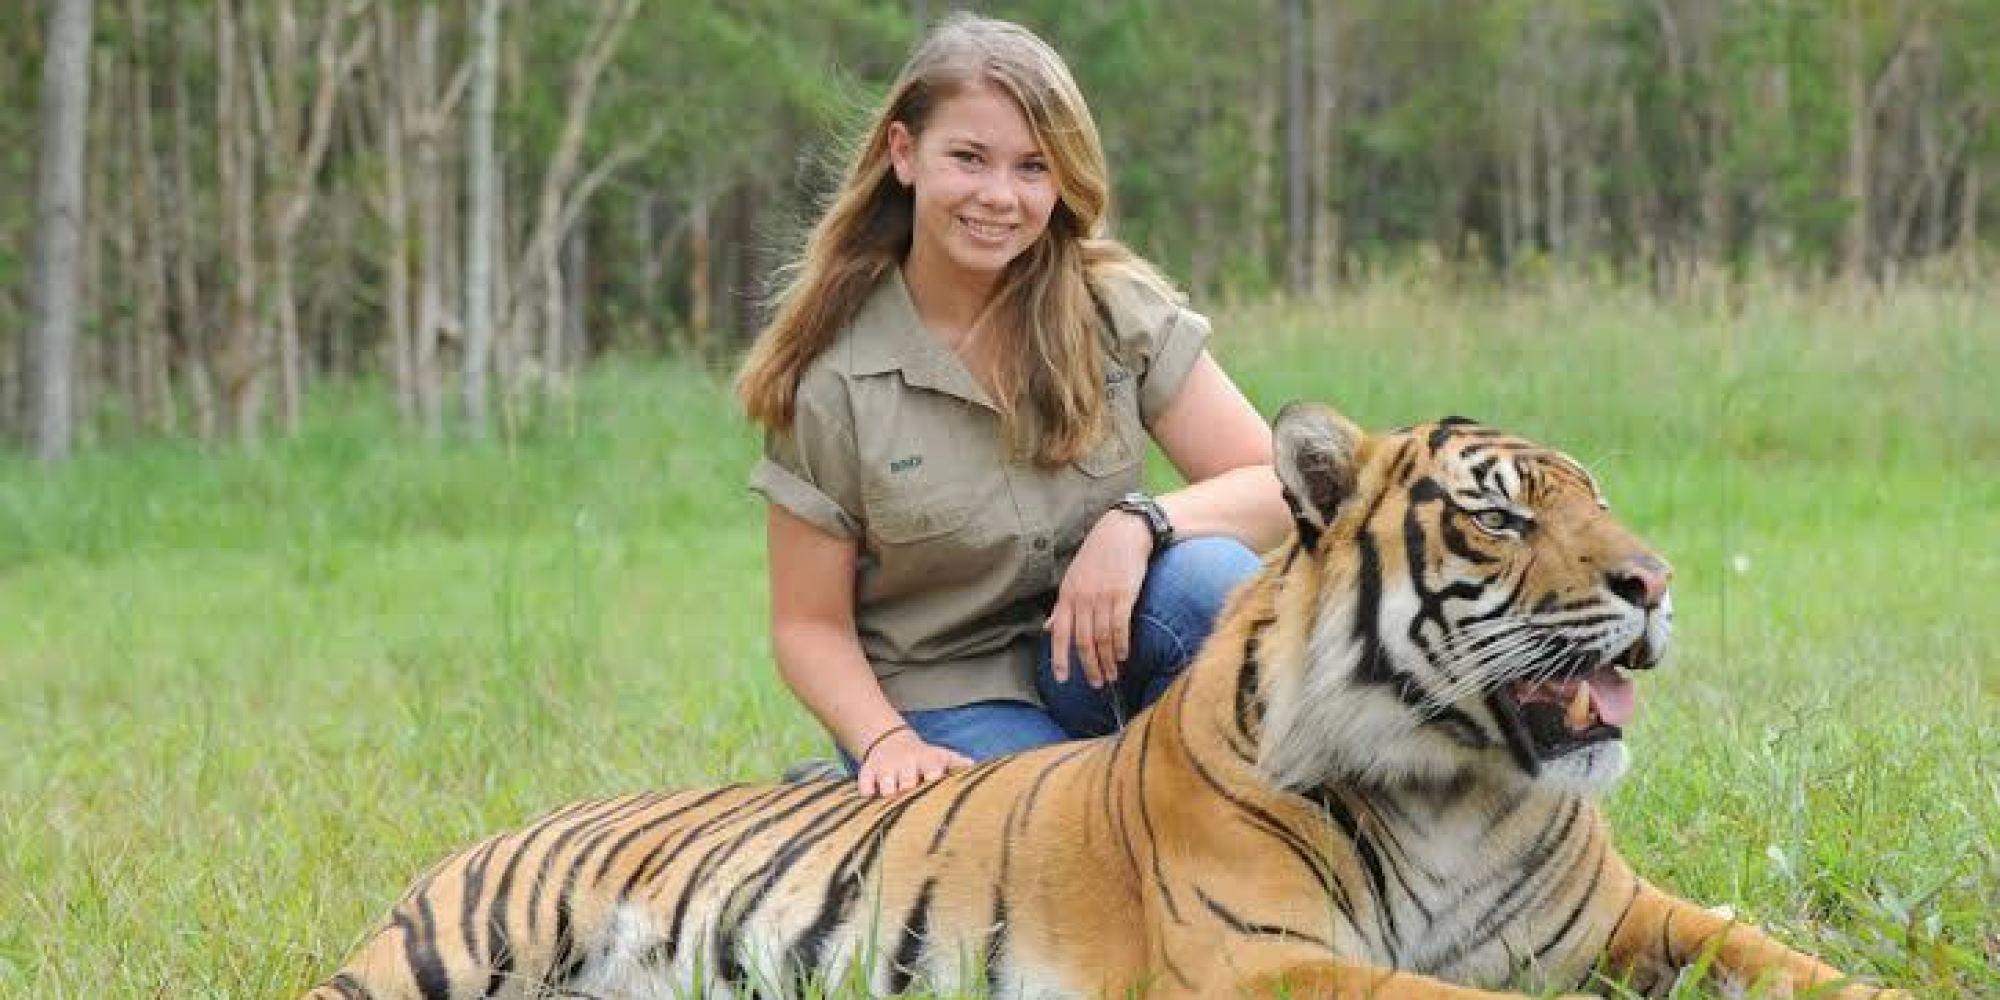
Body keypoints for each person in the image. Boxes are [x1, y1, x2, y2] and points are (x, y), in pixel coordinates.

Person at [736, 14, 1291, 798]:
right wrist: (887, 741)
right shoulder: (830, 376)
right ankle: (850, 794)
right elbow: (808, 626)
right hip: (941, 697)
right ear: (904, 154)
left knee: (1213, 581)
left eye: (1033, 168)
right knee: (1067, 826)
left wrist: (1137, 524)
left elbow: (1275, 482)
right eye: (969, 158)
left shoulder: (1110, 307)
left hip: (1094, 655)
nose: (1000, 197)